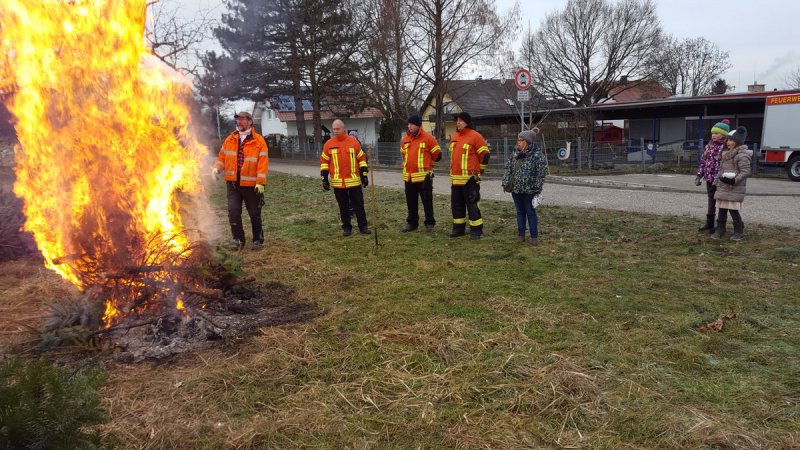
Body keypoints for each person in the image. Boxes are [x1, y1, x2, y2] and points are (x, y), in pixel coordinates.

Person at [212, 111, 269, 251]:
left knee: (254, 213)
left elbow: (262, 163)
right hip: (233, 184)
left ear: (250, 122)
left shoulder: (259, 141)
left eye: (243, 119)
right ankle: (238, 240)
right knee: (233, 212)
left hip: (251, 185)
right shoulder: (230, 139)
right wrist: (216, 168)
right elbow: (222, 157)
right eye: (238, 119)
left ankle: (257, 240)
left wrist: (260, 183)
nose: (240, 122)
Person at [320, 119, 371, 236]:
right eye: (334, 129)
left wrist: (364, 174)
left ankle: (363, 227)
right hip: (338, 183)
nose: (335, 131)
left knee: (358, 205)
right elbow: (324, 162)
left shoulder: (353, 142)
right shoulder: (329, 144)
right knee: (343, 207)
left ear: (343, 129)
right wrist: (324, 177)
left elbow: (362, 159)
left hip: (354, 181)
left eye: (337, 129)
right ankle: (347, 228)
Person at [447, 111, 489, 239]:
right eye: (457, 120)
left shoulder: (476, 136)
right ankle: (458, 229)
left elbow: (485, 156)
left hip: (470, 180)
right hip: (456, 180)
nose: (458, 122)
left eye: (460, 120)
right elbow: (451, 155)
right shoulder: (455, 136)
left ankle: (476, 230)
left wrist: (479, 171)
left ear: (467, 122)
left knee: (472, 205)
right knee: (457, 205)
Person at [502, 129, 546, 245]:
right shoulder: (515, 154)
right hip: (516, 189)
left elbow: (541, 173)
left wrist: (537, 187)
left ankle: (534, 237)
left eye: (521, 140)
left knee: (530, 212)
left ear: (527, 142)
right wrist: (506, 182)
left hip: (530, 190)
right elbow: (508, 168)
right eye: (518, 140)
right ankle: (521, 235)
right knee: (520, 212)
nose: (518, 142)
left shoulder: (537, 155)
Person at [400, 114, 441, 232]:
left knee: (427, 201)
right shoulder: (405, 139)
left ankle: (429, 222)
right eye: (408, 124)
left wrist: (430, 168)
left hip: (424, 178)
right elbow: (404, 155)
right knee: (411, 202)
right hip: (409, 177)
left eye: (412, 124)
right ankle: (412, 223)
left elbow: (437, 156)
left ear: (418, 125)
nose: (409, 126)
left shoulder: (428, 138)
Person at [712, 126, 752, 240]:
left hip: (734, 188)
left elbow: (745, 171)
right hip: (723, 187)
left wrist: (734, 180)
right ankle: (720, 229)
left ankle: (739, 231)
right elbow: (720, 171)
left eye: (732, 140)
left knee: (733, 210)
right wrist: (716, 183)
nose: (729, 143)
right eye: (728, 140)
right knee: (721, 210)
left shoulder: (742, 155)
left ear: (738, 142)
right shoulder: (725, 155)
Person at [695, 119, 729, 233]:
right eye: (713, 133)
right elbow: (703, 161)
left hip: (720, 179)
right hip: (709, 178)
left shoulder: (725, 148)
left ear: (723, 135)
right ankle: (709, 223)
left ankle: (720, 225)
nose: (714, 135)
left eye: (717, 133)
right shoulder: (709, 146)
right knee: (711, 200)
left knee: (720, 201)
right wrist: (699, 175)